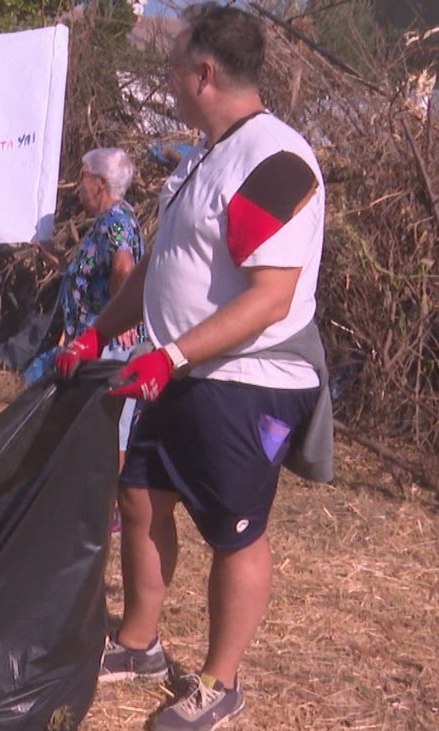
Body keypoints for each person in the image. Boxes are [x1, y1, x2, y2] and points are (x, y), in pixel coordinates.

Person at [56, 6, 328, 729]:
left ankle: (220, 682)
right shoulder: (200, 157)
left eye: (172, 66)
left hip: (248, 379)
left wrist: (171, 354)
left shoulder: (274, 162)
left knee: (234, 529)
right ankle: (140, 642)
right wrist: (94, 335)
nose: (166, 80)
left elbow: (271, 300)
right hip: (176, 370)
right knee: (140, 496)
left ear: (203, 73)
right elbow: (157, 269)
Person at [36, 147, 147, 526]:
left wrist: (122, 312)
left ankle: (107, 509)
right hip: (97, 342)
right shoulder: (108, 221)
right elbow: (92, 274)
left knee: (110, 424)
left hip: (110, 345)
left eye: (83, 178)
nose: (78, 187)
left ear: (101, 183)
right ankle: (96, 500)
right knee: (98, 420)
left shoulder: (115, 220)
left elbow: (123, 266)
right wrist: (54, 259)